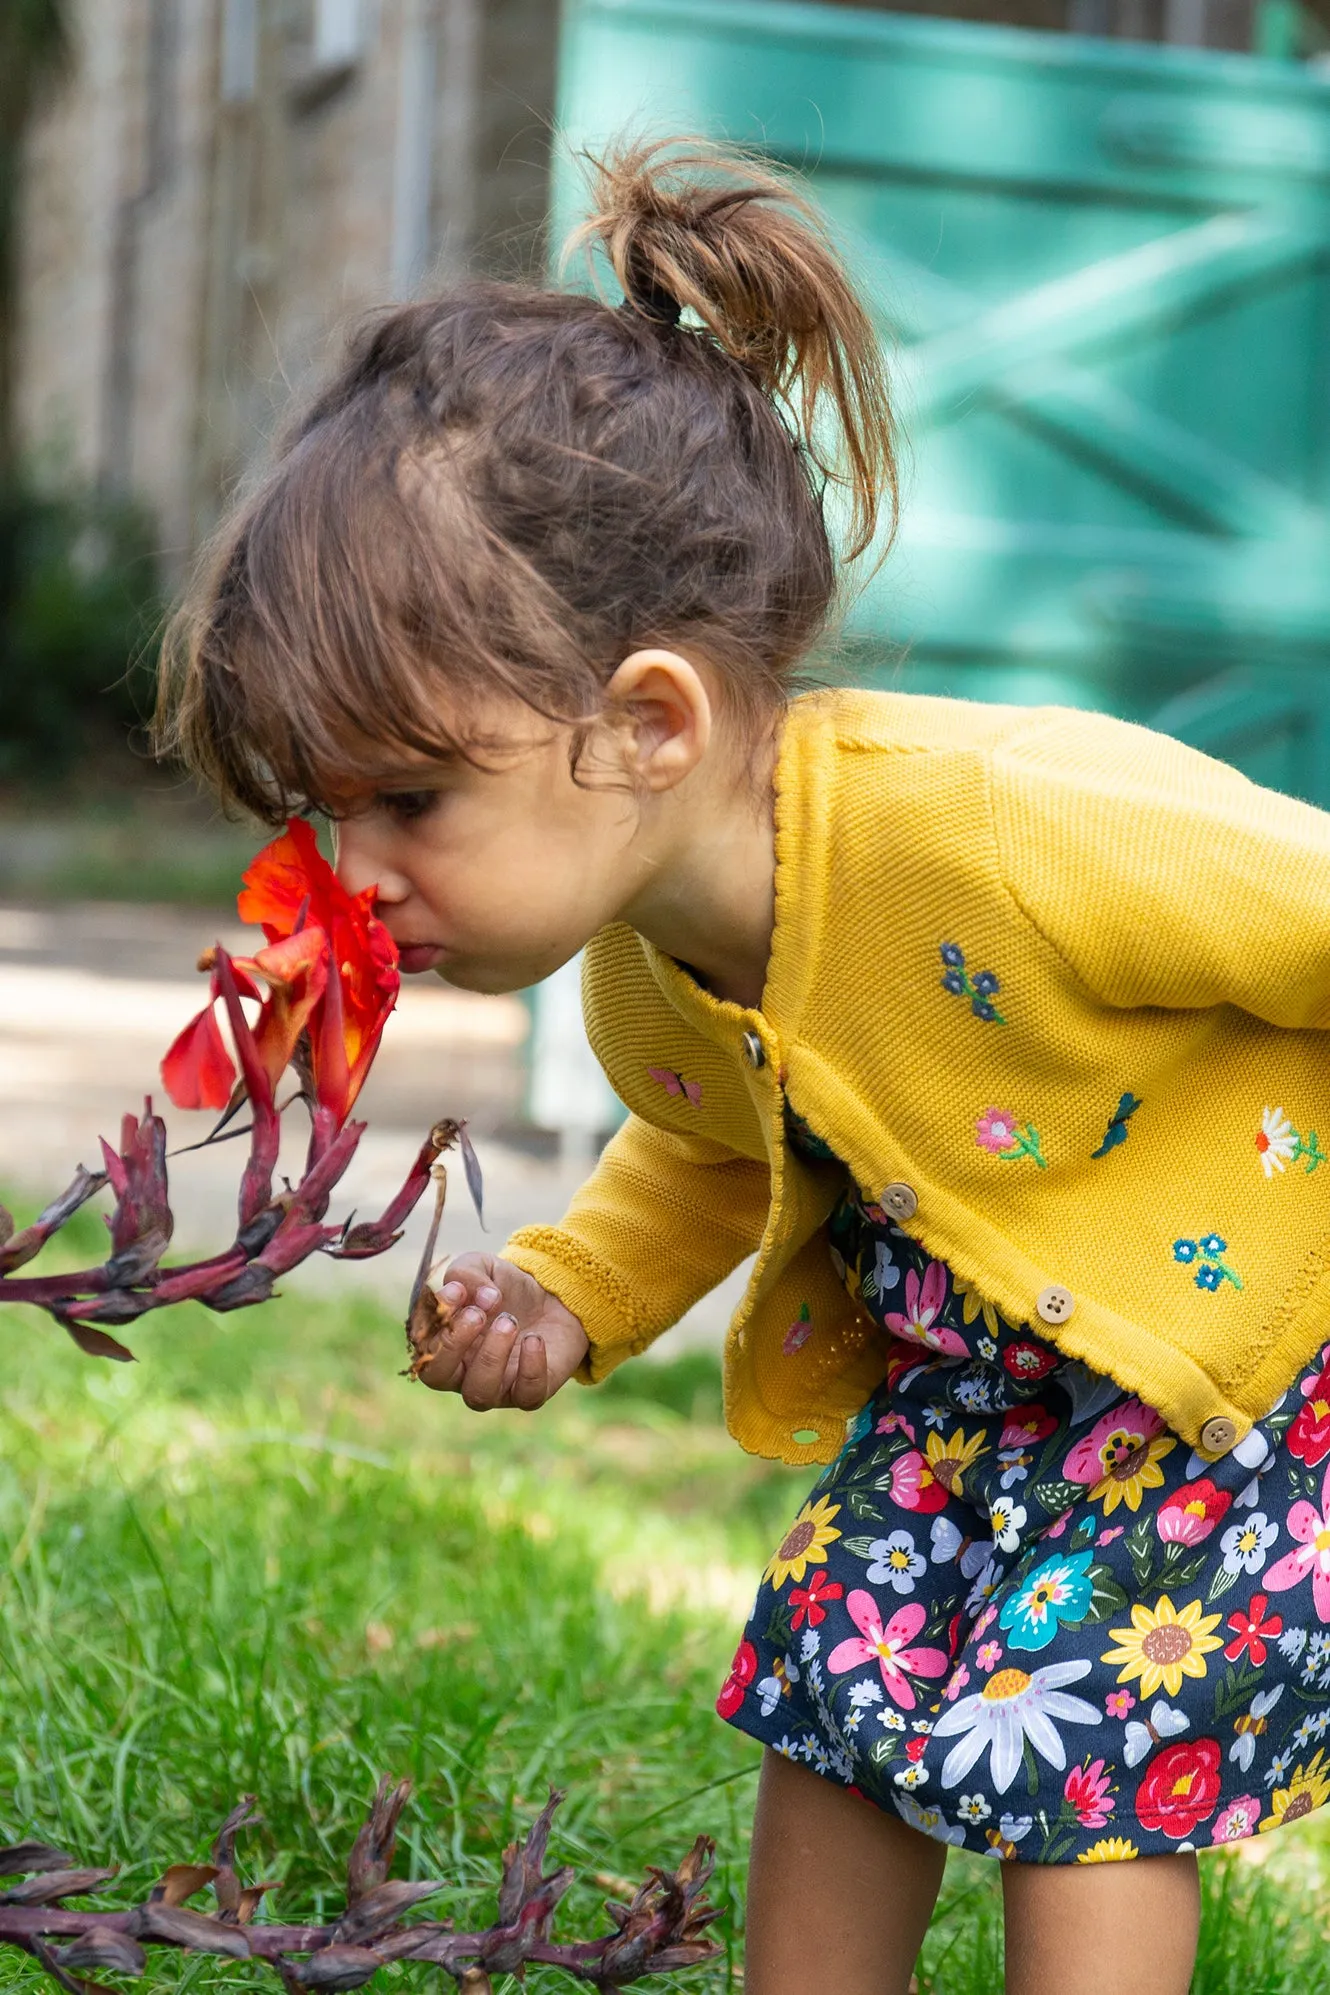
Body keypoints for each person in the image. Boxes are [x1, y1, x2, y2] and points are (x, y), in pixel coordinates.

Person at [157, 136, 1330, 1995]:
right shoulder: (649, 971)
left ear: (643, 723)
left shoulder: (1006, 828)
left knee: (1091, 1749)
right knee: (835, 1686)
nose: (350, 872)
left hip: (1219, 1370)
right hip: (967, 1392)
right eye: (321, 809)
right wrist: (563, 1300)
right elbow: (711, 1145)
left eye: (408, 797)